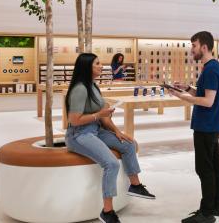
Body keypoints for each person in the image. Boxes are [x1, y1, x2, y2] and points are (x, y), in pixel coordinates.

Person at [64, 53, 155, 223]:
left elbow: (104, 117)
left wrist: (117, 131)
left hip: (95, 129)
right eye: (97, 64)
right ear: (87, 67)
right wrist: (99, 114)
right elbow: (74, 120)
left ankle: (135, 185)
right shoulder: (80, 89)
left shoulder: (93, 86)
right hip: (79, 134)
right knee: (111, 163)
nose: (101, 66)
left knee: (128, 145)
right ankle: (107, 211)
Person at [169, 31, 219, 223]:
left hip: (206, 125)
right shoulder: (213, 67)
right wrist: (186, 88)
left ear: (204, 47)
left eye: (193, 46)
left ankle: (207, 212)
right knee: (215, 165)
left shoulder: (210, 69)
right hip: (212, 125)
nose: (191, 49)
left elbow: (208, 101)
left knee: (205, 168)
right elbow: (203, 93)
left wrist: (181, 97)